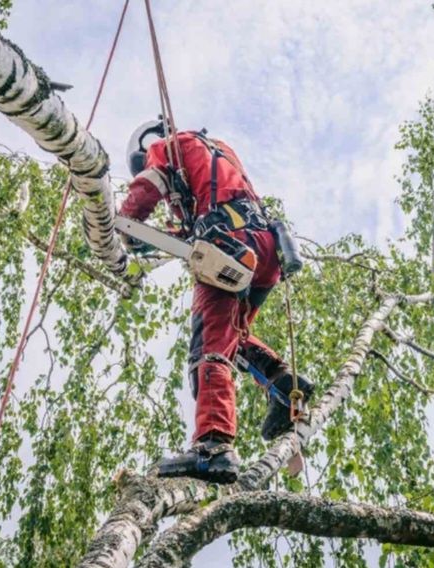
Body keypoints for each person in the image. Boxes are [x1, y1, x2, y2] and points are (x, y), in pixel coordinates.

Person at [117, 119, 313, 483]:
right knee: (230, 336)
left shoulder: (167, 146)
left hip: (230, 246)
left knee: (208, 344)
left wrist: (127, 221)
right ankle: (283, 383)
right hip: (264, 249)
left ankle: (214, 445)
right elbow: (215, 206)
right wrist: (167, 235)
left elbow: (148, 187)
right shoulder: (220, 153)